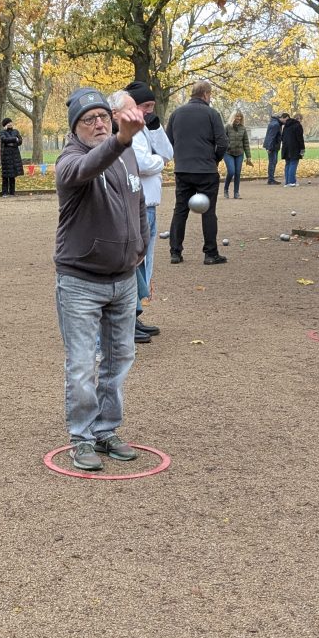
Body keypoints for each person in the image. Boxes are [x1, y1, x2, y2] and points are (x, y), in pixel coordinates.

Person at [55, 87, 147, 471]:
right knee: (81, 365)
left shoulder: (126, 154)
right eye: (88, 119)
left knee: (119, 359)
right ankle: (82, 437)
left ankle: (106, 430)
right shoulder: (70, 160)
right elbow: (88, 167)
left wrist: (140, 248)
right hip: (80, 280)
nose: (98, 124)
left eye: (103, 117)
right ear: (75, 127)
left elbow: (138, 201)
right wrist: (122, 139)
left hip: (123, 279)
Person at [123, 81, 172, 342]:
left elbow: (168, 153)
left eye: (152, 106)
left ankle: (134, 314)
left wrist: (156, 129)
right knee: (135, 263)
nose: (149, 111)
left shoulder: (146, 127)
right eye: (145, 106)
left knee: (145, 264)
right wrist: (160, 162)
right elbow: (141, 164)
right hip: (138, 203)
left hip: (151, 203)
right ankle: (127, 318)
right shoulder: (128, 130)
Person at [166, 80, 228, 265]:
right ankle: (210, 253)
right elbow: (222, 143)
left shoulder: (176, 114)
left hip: (183, 169)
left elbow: (168, 141)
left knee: (180, 210)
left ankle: (175, 252)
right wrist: (214, 160)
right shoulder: (212, 114)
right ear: (206, 94)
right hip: (206, 170)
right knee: (208, 211)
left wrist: (180, 158)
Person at [223, 111, 252, 199]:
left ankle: (236, 192)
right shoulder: (227, 127)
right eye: (237, 116)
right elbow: (222, 139)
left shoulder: (243, 128)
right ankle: (226, 189)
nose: (239, 118)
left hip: (239, 153)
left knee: (237, 173)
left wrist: (248, 156)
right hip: (228, 153)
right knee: (231, 171)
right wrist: (227, 146)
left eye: (240, 117)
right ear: (233, 117)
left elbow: (246, 143)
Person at [0, 118, 23, 197]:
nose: (10, 124)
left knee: (13, 174)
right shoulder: (2, 132)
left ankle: (12, 192)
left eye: (10, 122)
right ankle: (5, 192)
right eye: (8, 123)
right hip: (6, 155)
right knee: (5, 175)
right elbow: (4, 139)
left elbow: (20, 141)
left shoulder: (16, 131)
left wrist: (14, 141)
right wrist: (14, 139)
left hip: (14, 155)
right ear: (5, 125)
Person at [281, 111, 305, 187]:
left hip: (286, 147)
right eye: (300, 119)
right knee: (293, 163)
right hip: (295, 147)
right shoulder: (298, 126)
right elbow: (300, 138)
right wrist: (302, 148)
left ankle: (287, 182)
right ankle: (292, 181)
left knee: (288, 164)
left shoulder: (286, 126)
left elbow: (282, 137)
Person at [263, 112, 288, 184]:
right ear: (282, 118)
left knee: (273, 162)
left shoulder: (276, 123)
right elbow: (271, 136)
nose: (286, 122)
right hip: (272, 146)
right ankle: (270, 179)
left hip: (273, 146)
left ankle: (271, 179)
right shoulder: (276, 125)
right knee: (272, 162)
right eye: (286, 120)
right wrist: (269, 148)